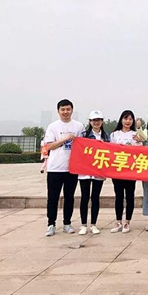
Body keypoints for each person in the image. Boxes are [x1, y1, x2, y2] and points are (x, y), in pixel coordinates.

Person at [44, 99, 85, 237]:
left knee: (69, 197)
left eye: (68, 109)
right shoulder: (53, 126)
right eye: (63, 109)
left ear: (72, 110)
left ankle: (67, 223)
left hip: (72, 168)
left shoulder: (79, 126)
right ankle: (51, 224)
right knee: (53, 197)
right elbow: (49, 146)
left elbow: (84, 145)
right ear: (58, 111)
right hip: (55, 168)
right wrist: (65, 139)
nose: (65, 112)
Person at [109, 110, 142, 233]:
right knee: (118, 196)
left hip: (130, 171)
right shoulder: (114, 135)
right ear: (121, 120)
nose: (128, 121)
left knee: (129, 196)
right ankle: (118, 221)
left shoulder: (134, 135)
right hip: (117, 170)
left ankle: (127, 222)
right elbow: (110, 151)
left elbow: (140, 152)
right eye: (125, 118)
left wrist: (139, 140)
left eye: (130, 119)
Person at [78, 110, 109, 235]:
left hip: (98, 172)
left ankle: (94, 224)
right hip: (85, 171)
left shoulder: (106, 137)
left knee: (95, 197)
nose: (96, 122)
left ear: (102, 121)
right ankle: (83, 225)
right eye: (94, 120)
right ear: (90, 122)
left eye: (99, 120)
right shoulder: (84, 135)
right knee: (84, 197)